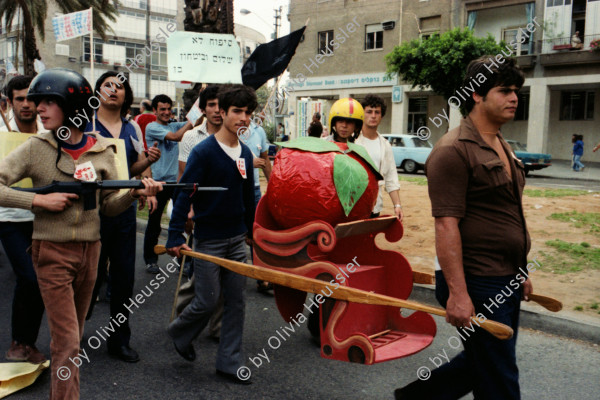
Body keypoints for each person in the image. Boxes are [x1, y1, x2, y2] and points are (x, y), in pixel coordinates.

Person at [0, 68, 161, 400]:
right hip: (52, 253)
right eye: (36, 102)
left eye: (48, 102)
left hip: (91, 253)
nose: (38, 109)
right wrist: (36, 200)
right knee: (69, 342)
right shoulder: (34, 147)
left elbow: (109, 207)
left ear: (72, 106)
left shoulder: (105, 150)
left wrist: (135, 194)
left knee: (71, 337)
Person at [394, 56, 532, 400]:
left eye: (516, 91)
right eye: (504, 91)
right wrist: (458, 293)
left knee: (483, 361)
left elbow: (507, 213)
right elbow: (445, 224)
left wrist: (521, 270)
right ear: (477, 95)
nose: (514, 97)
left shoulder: (502, 144)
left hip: (505, 275)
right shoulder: (452, 151)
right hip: (477, 279)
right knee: (499, 375)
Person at [166, 84, 256, 385]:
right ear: (223, 112)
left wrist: (252, 232)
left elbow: (247, 197)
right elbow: (183, 194)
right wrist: (175, 235)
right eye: (237, 111)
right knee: (207, 300)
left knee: (236, 303)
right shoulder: (204, 152)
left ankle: (229, 363)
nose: (242, 118)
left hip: (236, 239)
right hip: (209, 239)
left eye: (248, 113)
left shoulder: (245, 152)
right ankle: (180, 332)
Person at [84, 71, 160, 363]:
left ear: (127, 95)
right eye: (108, 85)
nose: (114, 91)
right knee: (88, 276)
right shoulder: (85, 124)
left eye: (120, 87)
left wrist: (148, 165)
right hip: (91, 212)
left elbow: (134, 167)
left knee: (124, 278)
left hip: (125, 210)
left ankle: (119, 339)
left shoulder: (132, 129)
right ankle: (73, 333)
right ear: (98, 91)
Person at [0, 75, 48, 364]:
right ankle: (20, 342)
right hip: (9, 216)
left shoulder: (50, 131)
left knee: (41, 278)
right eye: (20, 99)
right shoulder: (1, 134)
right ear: (9, 102)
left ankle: (28, 341)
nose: (27, 105)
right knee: (29, 277)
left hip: (44, 216)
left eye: (32, 98)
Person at [177, 85, 223, 340]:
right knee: (200, 272)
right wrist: (187, 210)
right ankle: (182, 321)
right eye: (211, 105)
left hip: (226, 214)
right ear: (203, 109)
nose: (217, 111)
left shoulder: (238, 136)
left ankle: (217, 329)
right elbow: (184, 178)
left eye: (220, 105)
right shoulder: (191, 137)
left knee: (226, 275)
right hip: (200, 214)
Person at [143, 94, 193, 274]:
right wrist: (190, 122)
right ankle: (150, 260)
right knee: (154, 223)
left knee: (182, 220)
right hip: (157, 183)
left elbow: (193, 123)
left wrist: (200, 105)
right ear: (155, 110)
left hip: (176, 183)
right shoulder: (152, 127)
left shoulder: (174, 124)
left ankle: (183, 260)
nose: (166, 112)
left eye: (168, 109)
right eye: (161, 109)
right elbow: (176, 136)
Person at [357, 95, 403, 220]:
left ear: (381, 116)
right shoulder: (352, 141)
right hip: (352, 207)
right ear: (362, 114)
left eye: (377, 112)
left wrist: (397, 205)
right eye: (369, 112)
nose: (373, 115)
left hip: (375, 207)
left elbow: (391, 178)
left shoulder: (385, 145)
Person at [242, 114, 272, 293]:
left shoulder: (258, 131)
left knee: (256, 235)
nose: (245, 115)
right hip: (233, 189)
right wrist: (247, 163)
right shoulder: (230, 132)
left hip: (253, 190)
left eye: (248, 110)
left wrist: (274, 186)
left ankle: (261, 278)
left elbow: (265, 160)